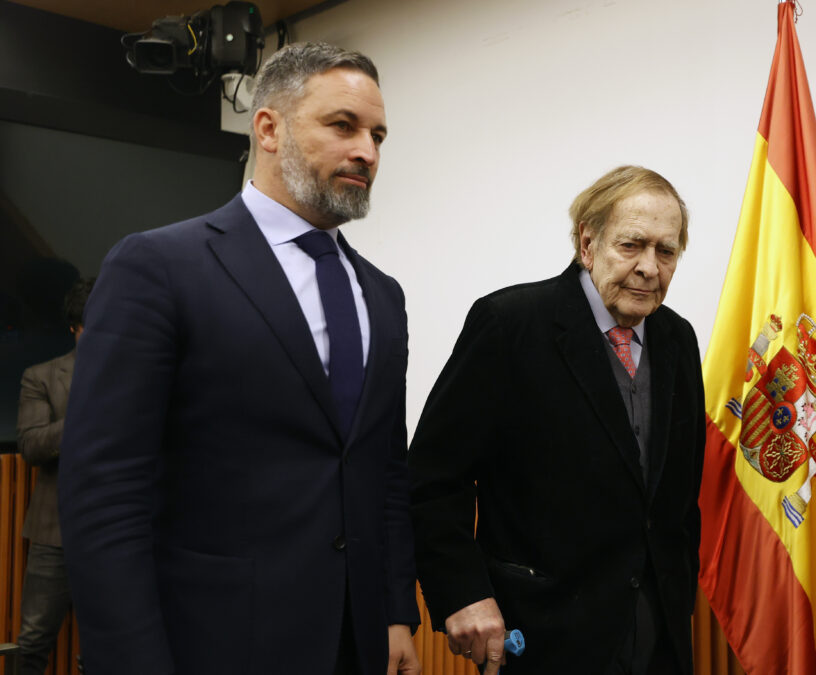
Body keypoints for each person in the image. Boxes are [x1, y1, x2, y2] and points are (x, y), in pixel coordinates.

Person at [57, 42, 420, 675]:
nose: (367, 151)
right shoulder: (159, 267)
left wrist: (394, 613)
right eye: (343, 126)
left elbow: (383, 470)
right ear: (269, 127)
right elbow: (106, 495)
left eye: (377, 135)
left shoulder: (382, 297)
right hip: (213, 644)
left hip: (356, 645)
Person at [409, 166, 706, 675]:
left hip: (660, 639)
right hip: (543, 638)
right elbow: (433, 479)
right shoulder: (510, 324)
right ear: (587, 244)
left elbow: (674, 502)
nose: (649, 268)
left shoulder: (679, 339)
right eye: (632, 245)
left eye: (666, 250)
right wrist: (463, 592)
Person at [15, 278, 92, 675]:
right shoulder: (41, 376)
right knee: (32, 642)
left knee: (112, 644)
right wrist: (89, 411)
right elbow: (30, 446)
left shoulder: (141, 374)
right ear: (73, 328)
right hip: (54, 530)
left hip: (122, 530)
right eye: (88, 328)